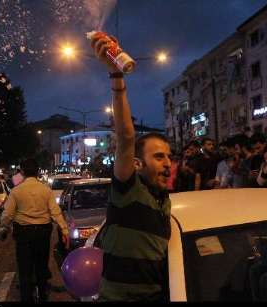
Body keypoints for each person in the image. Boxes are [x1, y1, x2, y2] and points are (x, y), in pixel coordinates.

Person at [91, 34, 172, 301]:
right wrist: (116, 76)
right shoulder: (128, 191)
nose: (168, 163)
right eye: (159, 157)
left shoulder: (165, 201)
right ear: (137, 164)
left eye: (169, 157)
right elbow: (126, 138)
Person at [0, 158, 70, 302]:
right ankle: (42, 294)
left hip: (23, 234)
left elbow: (7, 215)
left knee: (25, 269)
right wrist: (64, 230)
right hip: (43, 233)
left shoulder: (16, 191)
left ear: (22, 172)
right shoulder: (46, 190)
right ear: (38, 172)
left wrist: (3, 229)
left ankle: (26, 298)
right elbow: (55, 212)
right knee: (41, 265)